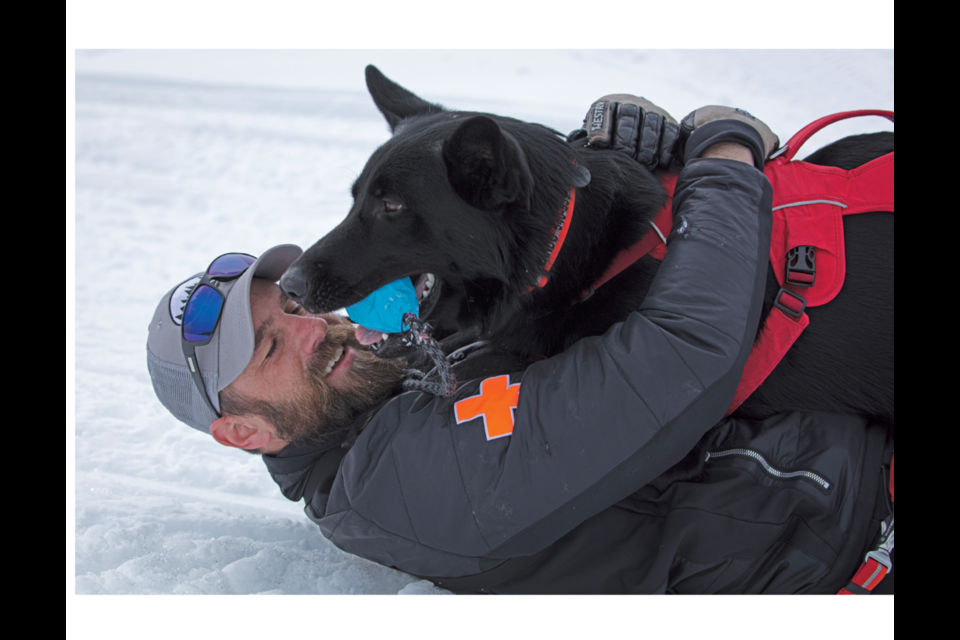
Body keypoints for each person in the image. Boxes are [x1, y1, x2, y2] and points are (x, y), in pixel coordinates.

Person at [146, 100, 893, 594]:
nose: (316, 327)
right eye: (272, 347)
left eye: (293, 308)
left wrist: (593, 150)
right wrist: (726, 156)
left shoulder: (378, 379)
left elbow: (501, 227)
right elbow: (683, 352)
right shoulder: (399, 486)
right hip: (862, 524)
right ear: (243, 431)